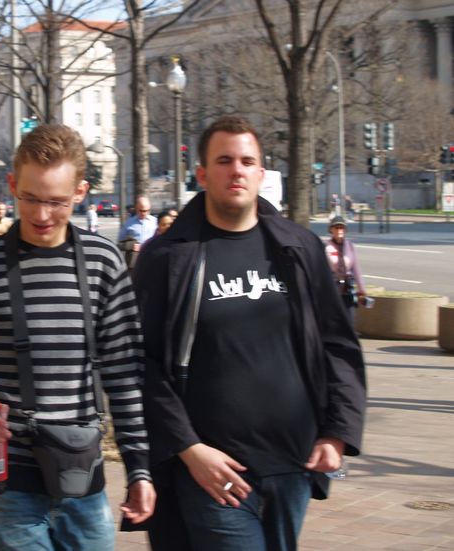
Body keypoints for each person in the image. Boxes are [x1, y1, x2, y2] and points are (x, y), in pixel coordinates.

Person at [0, 124, 155, 550]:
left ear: (80, 192)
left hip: (83, 475)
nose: (42, 215)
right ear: (12, 185)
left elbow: (124, 372)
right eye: (30, 198)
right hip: (8, 483)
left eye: (56, 201)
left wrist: (139, 468)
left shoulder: (103, 261)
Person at [133, 116, 366, 551]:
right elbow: (141, 362)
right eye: (223, 161)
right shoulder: (168, 257)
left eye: (246, 161)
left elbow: (337, 344)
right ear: (203, 175)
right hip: (212, 470)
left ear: (261, 173)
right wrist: (189, 448)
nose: (236, 171)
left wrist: (338, 431)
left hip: (293, 462)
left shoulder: (298, 248)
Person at [325, 216, 366, 326]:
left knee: (350, 321)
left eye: (342, 227)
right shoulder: (326, 247)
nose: (339, 230)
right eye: (336, 227)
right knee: (334, 322)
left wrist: (361, 289)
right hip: (332, 289)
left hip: (347, 288)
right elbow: (321, 269)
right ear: (331, 229)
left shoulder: (350, 246)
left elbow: (356, 269)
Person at [117, 196, 157, 270]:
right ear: (136, 208)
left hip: (152, 260)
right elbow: (119, 244)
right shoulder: (129, 223)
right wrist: (131, 245)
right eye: (141, 210)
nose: (144, 213)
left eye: (147, 210)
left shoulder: (155, 222)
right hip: (135, 262)